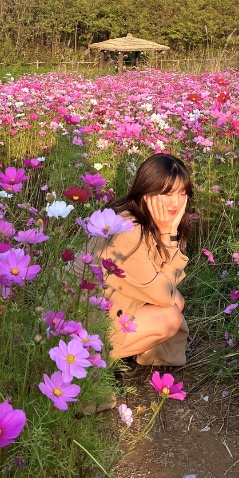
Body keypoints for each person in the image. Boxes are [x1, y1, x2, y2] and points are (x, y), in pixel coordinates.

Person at [86, 152, 193, 369]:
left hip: (104, 307)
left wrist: (167, 233)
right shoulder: (130, 231)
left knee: (177, 301)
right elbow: (163, 295)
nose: (175, 202)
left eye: (182, 193)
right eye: (167, 193)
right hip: (84, 322)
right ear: (147, 193)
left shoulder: (144, 220)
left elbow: (166, 282)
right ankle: (97, 361)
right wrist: (169, 237)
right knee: (170, 317)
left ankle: (127, 352)